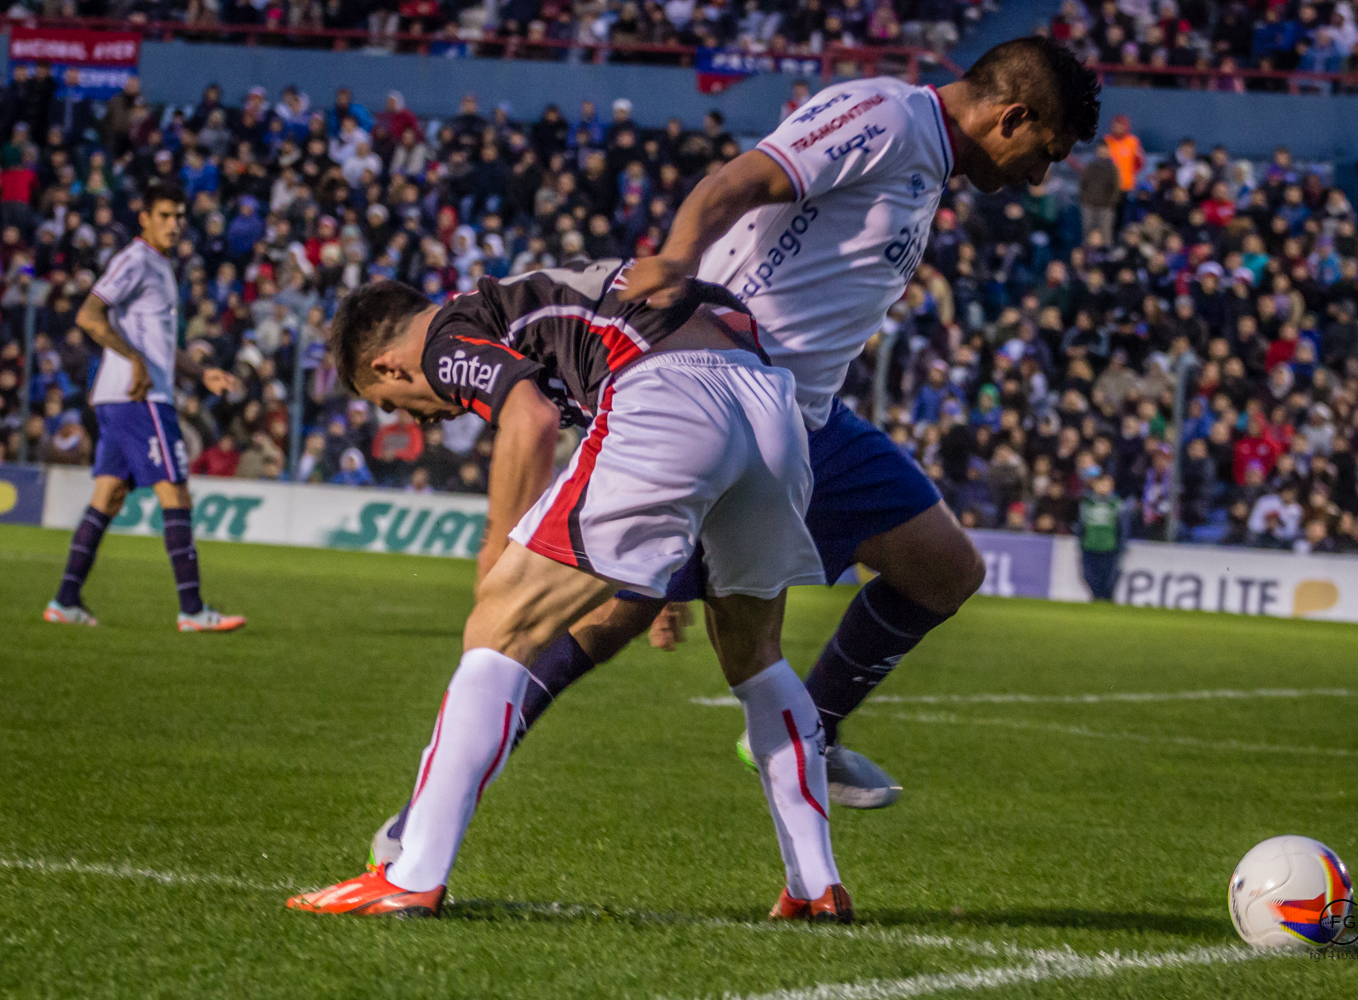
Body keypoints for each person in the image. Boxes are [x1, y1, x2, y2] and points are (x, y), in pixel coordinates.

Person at [366, 37, 1099, 830]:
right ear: (1012, 116)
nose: (1039, 176)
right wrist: (678, 257)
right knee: (604, 619)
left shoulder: (927, 160)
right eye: (1044, 153)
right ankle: (421, 826)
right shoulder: (884, 115)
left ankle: (809, 733)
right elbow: (741, 179)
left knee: (944, 570)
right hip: (723, 393)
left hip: (808, 418)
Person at [288, 264, 845, 921]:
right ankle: (816, 885)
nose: (417, 415)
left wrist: (495, 555)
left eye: (389, 403)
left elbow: (530, 418)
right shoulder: (538, 304)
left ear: (387, 368)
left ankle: (411, 873)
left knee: (498, 627)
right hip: (769, 401)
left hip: (666, 388)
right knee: (756, 654)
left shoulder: (445, 336)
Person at [44, 183, 246, 633]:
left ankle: (65, 600)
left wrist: (200, 373)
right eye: (166, 216)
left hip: (119, 400)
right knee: (175, 492)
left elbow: (160, 346)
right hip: (142, 399)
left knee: (109, 497)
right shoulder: (135, 260)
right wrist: (134, 359)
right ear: (145, 218)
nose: (174, 224)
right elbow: (89, 315)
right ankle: (192, 610)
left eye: (179, 216)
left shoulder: (160, 267)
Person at [1077, 474, 1123, 600]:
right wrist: (1081, 543)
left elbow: (1122, 528)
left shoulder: (1116, 504)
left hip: (1109, 547)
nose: (1104, 487)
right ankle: (1096, 597)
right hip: (1090, 545)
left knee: (1108, 579)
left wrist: (1120, 546)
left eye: (1107, 485)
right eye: (1101, 484)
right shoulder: (1086, 503)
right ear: (1095, 485)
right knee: (1088, 576)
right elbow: (1081, 526)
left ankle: (1107, 599)